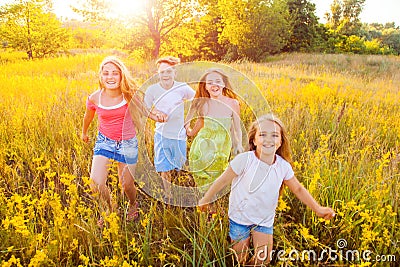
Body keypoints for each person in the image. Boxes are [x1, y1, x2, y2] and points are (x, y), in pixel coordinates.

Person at [198, 114, 335, 265]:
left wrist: (318, 208)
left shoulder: (283, 166)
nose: (268, 139)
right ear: (254, 140)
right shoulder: (245, 160)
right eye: (263, 134)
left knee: (263, 260)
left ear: (281, 141)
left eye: (274, 135)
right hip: (239, 218)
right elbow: (223, 180)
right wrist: (206, 198)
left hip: (264, 220)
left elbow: (298, 189)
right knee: (239, 260)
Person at [81, 56, 162, 225]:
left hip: (127, 143)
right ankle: (110, 208)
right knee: (95, 183)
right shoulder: (95, 98)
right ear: (101, 76)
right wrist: (84, 132)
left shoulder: (129, 95)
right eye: (106, 73)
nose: (110, 77)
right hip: (105, 141)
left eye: (115, 73)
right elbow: (88, 117)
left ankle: (133, 203)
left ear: (121, 76)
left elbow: (147, 111)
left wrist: (158, 116)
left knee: (126, 185)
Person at [144, 56, 195, 202]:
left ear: (175, 73)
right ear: (157, 73)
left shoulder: (182, 87)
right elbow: (145, 109)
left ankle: (179, 183)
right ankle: (168, 194)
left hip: (179, 135)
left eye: (169, 71)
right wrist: (155, 115)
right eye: (162, 72)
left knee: (178, 163)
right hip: (161, 134)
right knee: (164, 165)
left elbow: (196, 100)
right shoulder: (152, 90)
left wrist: (188, 121)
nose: (165, 75)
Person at [185, 68, 243, 192]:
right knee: (202, 168)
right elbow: (200, 122)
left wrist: (238, 144)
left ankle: (213, 196)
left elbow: (237, 128)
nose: (214, 85)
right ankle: (207, 199)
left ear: (223, 84)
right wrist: (190, 131)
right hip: (204, 142)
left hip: (222, 143)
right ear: (205, 87)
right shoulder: (204, 104)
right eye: (210, 82)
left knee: (218, 169)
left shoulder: (233, 103)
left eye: (218, 81)